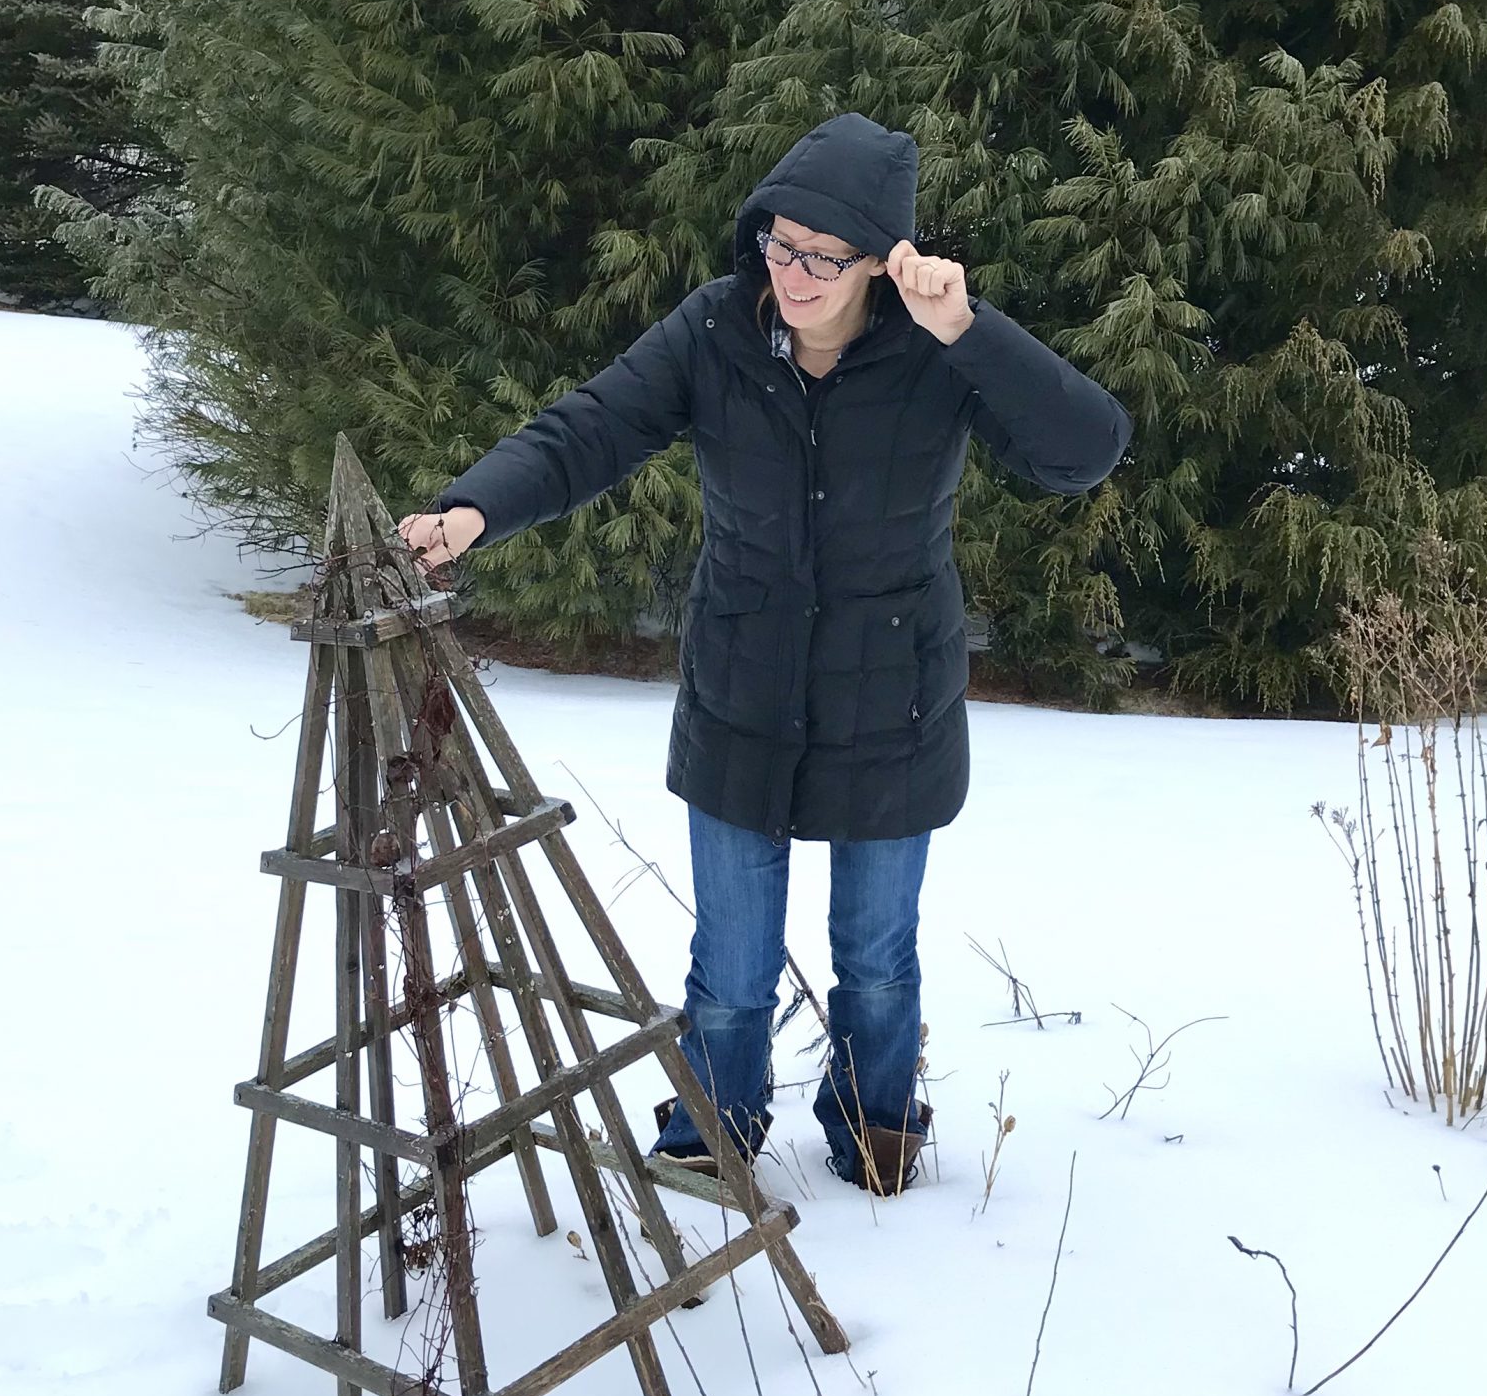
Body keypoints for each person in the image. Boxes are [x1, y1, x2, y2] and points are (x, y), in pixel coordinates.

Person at [398, 113, 1131, 1192]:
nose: (793, 273)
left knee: (876, 961)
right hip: (743, 693)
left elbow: (1087, 450)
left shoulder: (936, 348)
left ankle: (877, 1131)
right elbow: (588, 429)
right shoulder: (715, 332)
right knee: (732, 964)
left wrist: (969, 329)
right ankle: (713, 1129)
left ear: (879, 261)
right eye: (780, 244)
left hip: (894, 701)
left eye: (824, 256)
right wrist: (471, 512)